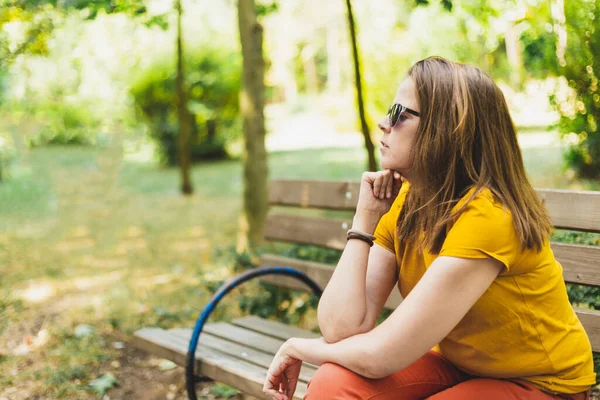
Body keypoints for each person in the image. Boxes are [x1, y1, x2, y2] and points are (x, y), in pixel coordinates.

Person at [262, 56, 595, 400]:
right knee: (334, 384)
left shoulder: (488, 216)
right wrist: (364, 220)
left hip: (541, 383)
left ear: (448, 129)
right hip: (459, 365)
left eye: (399, 114)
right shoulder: (408, 201)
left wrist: (298, 347)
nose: (382, 123)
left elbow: (381, 356)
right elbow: (339, 328)